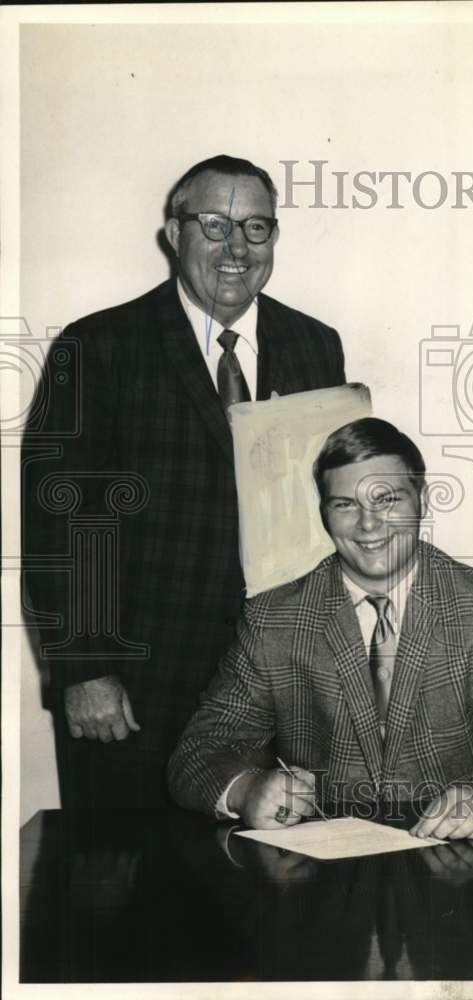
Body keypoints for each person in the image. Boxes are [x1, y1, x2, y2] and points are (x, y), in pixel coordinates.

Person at [22, 154, 346, 808]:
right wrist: (85, 670)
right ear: (175, 235)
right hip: (133, 690)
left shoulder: (316, 346)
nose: (236, 248)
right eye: (214, 225)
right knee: (124, 890)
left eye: (256, 228)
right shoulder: (98, 348)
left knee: (261, 886)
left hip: (271, 686)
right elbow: (57, 521)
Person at [168, 418, 473, 838]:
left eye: (386, 500)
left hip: (451, 861)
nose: (368, 525)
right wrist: (246, 790)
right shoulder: (274, 619)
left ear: (422, 499)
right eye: (345, 504)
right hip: (320, 875)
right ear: (324, 514)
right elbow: (196, 753)